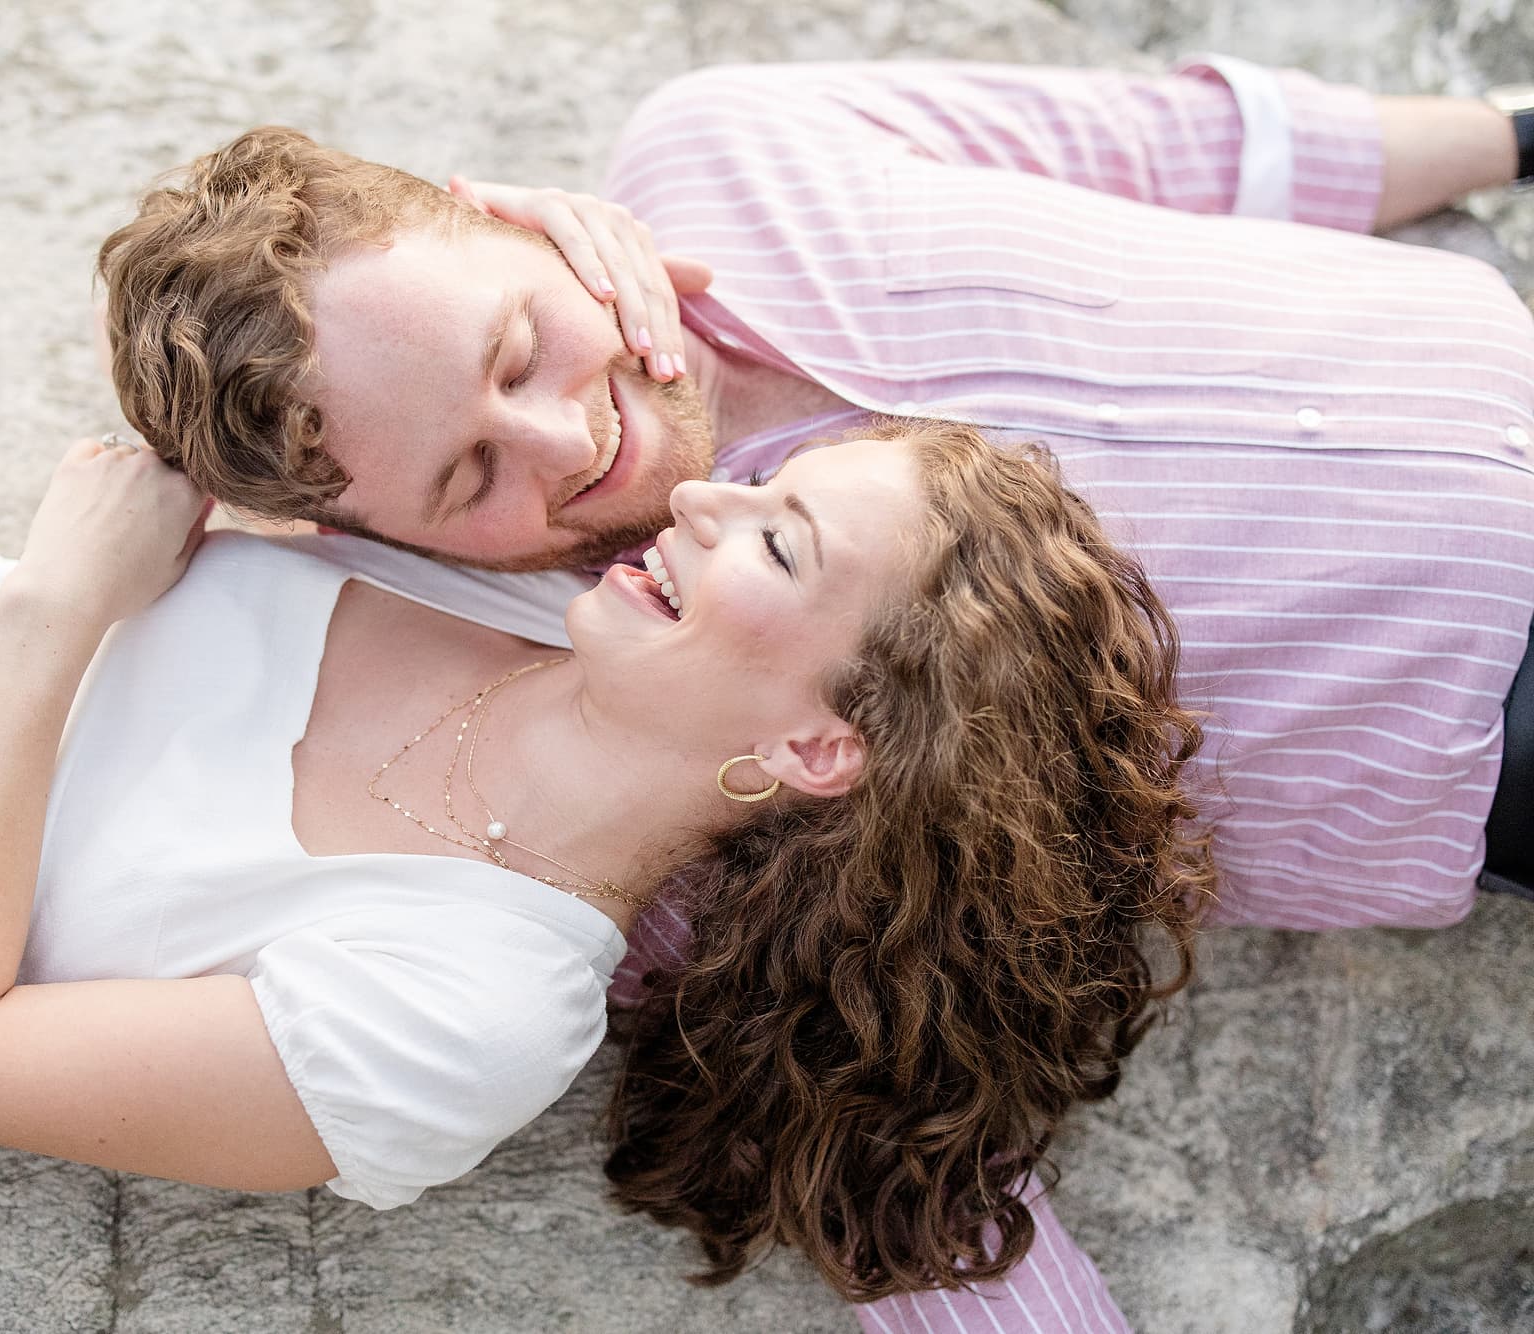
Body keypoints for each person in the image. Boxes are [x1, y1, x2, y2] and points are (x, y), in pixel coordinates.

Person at [94, 56, 1534, 1330]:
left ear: (503, 219)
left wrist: (1512, 133)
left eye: (522, 344)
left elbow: (1184, 148)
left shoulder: (735, 149)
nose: (566, 437)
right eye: (470, 476)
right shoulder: (663, 750)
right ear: (380, 537)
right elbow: (887, 1141)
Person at [0, 411, 1206, 1300]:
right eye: (761, 478)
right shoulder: (511, 567)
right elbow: (360, 304)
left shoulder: (467, 1010)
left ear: (820, 747)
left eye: (775, 534)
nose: (699, 502)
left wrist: (54, 619)